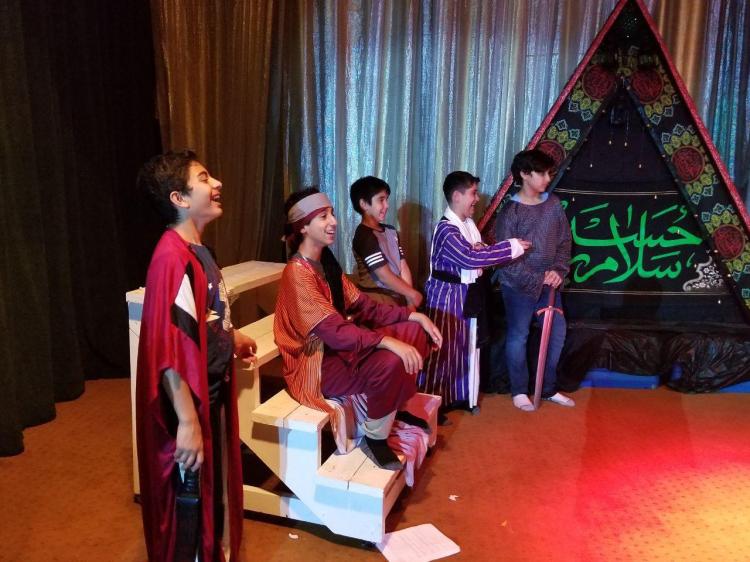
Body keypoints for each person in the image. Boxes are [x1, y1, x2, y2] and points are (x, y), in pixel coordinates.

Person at [135, 150, 256, 561]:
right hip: (188, 405)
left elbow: (203, 320)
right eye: (204, 178)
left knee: (211, 496)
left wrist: (232, 339)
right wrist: (187, 421)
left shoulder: (196, 251)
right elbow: (169, 348)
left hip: (210, 395)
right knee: (189, 506)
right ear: (179, 199)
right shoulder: (172, 257)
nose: (217, 183)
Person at [273, 187, 442, 470]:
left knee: (414, 333)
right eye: (323, 217)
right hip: (315, 363)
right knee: (390, 360)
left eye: (332, 214)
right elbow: (335, 332)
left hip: (337, 349)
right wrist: (387, 342)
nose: (334, 221)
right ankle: (375, 437)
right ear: (303, 227)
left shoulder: (326, 263)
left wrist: (413, 316)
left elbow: (364, 306)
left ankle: (394, 408)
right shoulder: (297, 273)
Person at [418, 172, 529, 418]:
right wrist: (511, 246)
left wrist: (485, 249)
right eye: (473, 193)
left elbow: (476, 252)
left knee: (465, 348)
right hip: (446, 298)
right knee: (442, 351)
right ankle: (430, 406)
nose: (477, 199)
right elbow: (469, 258)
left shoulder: (467, 225)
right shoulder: (446, 230)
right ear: (457, 196)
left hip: (466, 295)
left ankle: (459, 397)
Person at [494, 149, 575, 411]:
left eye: (549, 173)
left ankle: (548, 388)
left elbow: (564, 242)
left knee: (556, 333)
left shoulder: (553, 205)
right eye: (541, 173)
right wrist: (537, 278)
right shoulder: (511, 211)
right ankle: (519, 390)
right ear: (524, 174)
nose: (547, 178)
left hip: (550, 284)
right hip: (517, 285)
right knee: (519, 336)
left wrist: (558, 270)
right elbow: (506, 256)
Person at [350, 176, 422, 309]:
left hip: (398, 297)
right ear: (364, 204)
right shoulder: (364, 235)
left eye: (386, 199)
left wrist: (410, 301)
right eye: (381, 200)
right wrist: (412, 294)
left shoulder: (391, 231)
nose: (387, 205)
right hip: (376, 301)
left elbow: (403, 266)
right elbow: (384, 276)